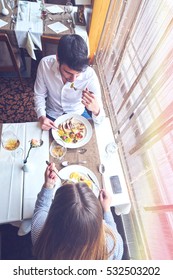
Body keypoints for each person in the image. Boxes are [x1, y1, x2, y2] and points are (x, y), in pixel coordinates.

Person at [31, 162, 124, 260]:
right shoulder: (113, 244)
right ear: (99, 219)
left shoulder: (39, 235)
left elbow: (41, 208)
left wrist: (48, 185)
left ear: (52, 215)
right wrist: (107, 210)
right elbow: (112, 230)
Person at [34, 34, 105, 131]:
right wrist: (41, 116)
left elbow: (101, 120)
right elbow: (39, 95)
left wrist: (96, 110)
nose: (73, 79)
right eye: (68, 72)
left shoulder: (90, 75)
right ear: (58, 58)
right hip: (52, 113)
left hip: (78, 113)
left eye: (78, 74)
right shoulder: (45, 64)